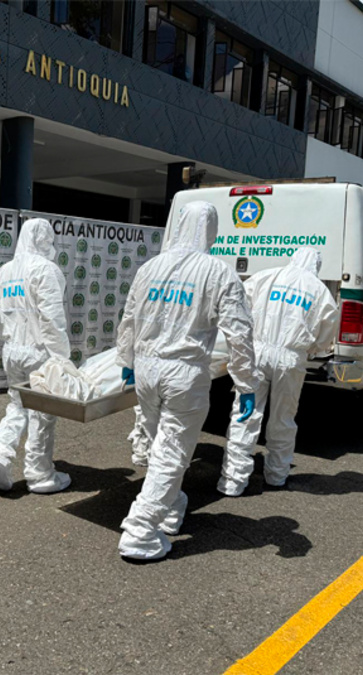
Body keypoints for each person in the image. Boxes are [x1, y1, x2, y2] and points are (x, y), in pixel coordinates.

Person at [116, 201, 260, 561]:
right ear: (212, 230)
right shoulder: (218, 273)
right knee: (172, 451)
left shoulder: (151, 267)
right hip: (185, 372)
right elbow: (239, 334)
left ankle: (169, 509)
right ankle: (139, 529)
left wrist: (127, 362)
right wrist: (246, 384)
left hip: (147, 371)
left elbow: (129, 318)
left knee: (159, 444)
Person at [219, 247, 340, 497]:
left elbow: (240, 303)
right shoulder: (319, 291)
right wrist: (311, 350)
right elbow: (327, 332)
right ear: (315, 266)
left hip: (257, 349)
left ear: (293, 258)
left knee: (246, 411)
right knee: (283, 418)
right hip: (291, 357)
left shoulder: (266, 276)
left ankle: (232, 481)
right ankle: (276, 475)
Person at [0, 218, 73, 494]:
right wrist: (61, 358)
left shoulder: (5, 271)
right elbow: (52, 318)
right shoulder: (46, 270)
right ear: (44, 239)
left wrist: (8, 335)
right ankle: (40, 474)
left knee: (17, 405)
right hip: (39, 350)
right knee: (43, 412)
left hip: (12, 349)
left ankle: (0, 452)